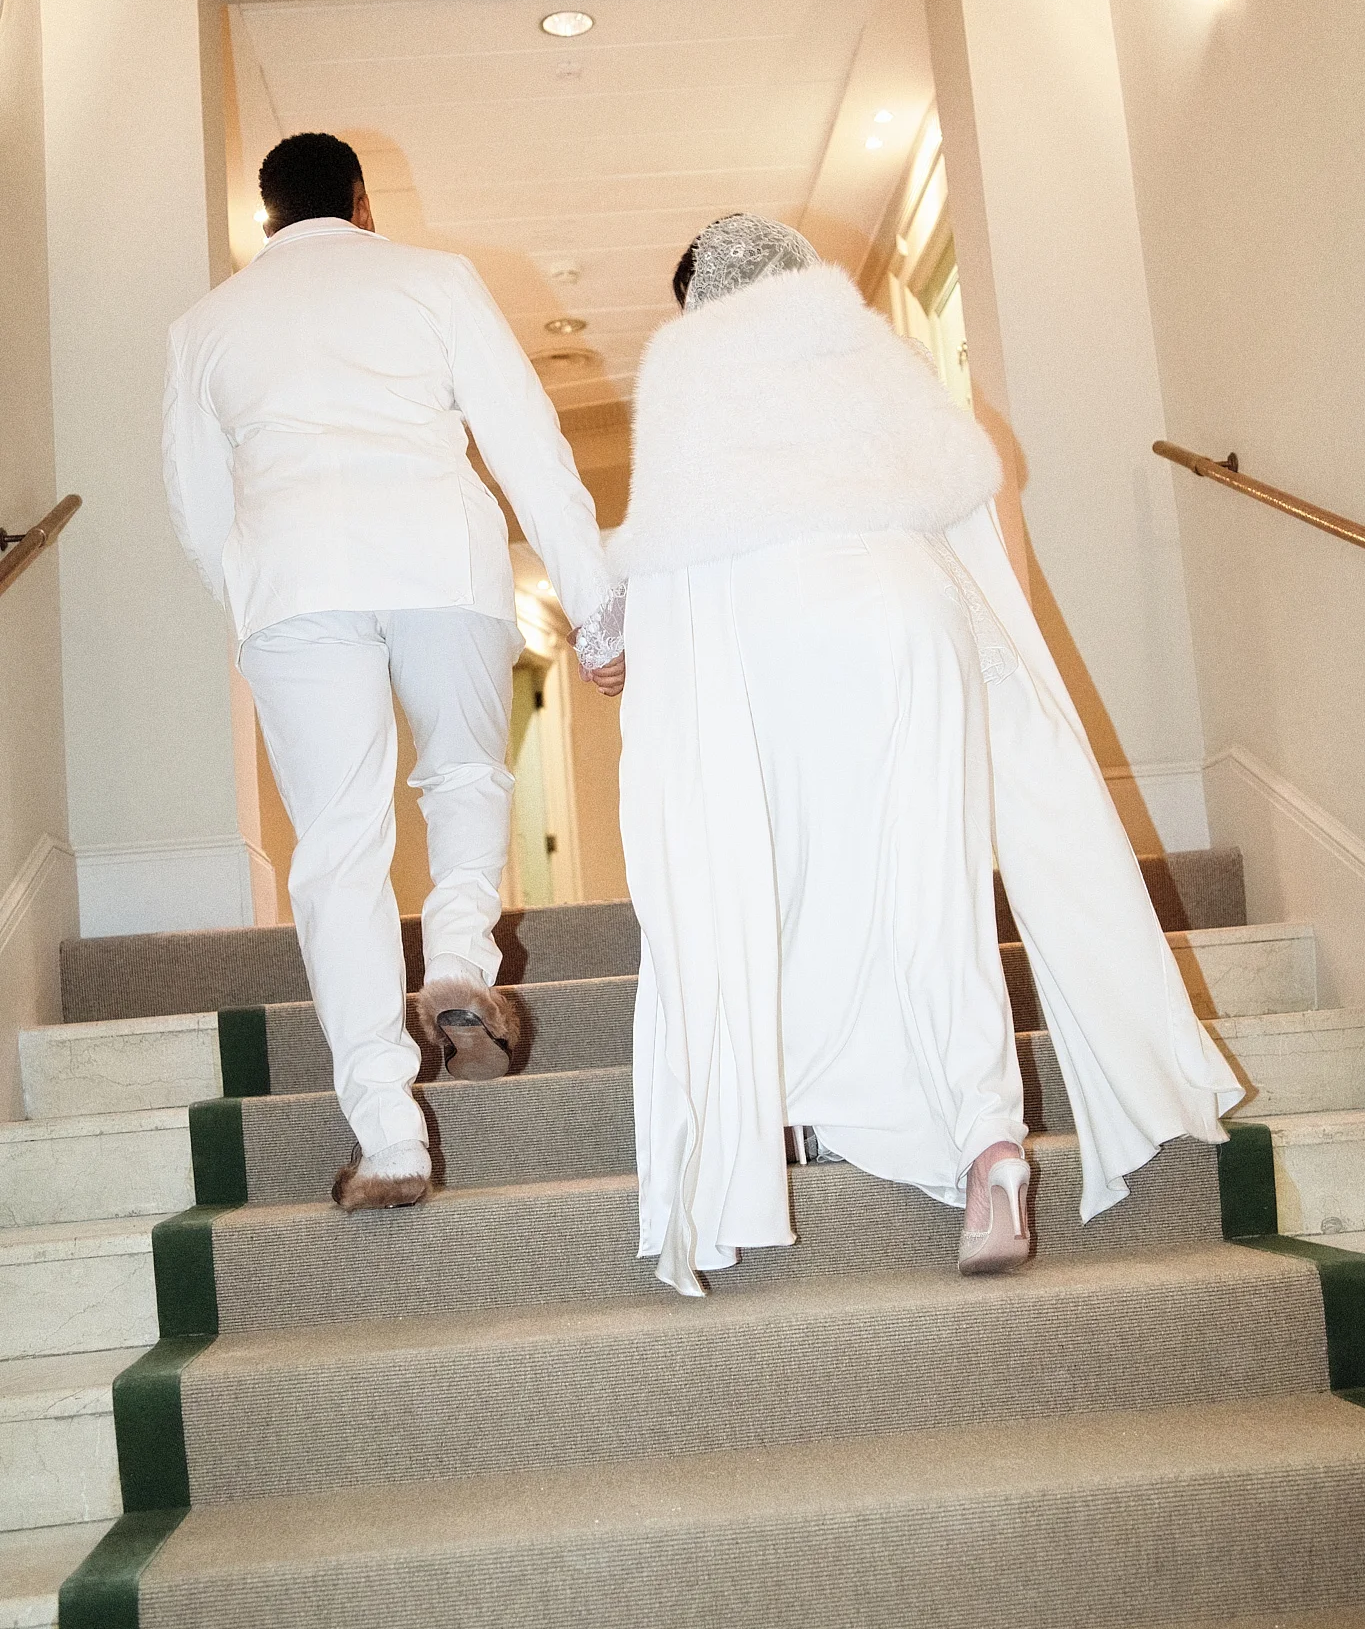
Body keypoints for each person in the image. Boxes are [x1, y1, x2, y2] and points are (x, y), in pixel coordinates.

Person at [610, 214, 1240, 1297]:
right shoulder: (869, 346)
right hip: (914, 617)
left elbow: (666, 542)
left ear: (697, 299)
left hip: (779, 626)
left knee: (782, 886)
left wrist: (619, 639)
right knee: (931, 887)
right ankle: (990, 1147)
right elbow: (964, 488)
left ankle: (807, 1108)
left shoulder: (692, 366)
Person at [164, 132, 625, 1211]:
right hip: (440, 558)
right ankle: (459, 956)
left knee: (337, 851)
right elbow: (528, 439)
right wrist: (596, 611)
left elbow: (195, 508)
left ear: (267, 215)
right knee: (465, 771)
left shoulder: (201, 327)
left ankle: (389, 1134)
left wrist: (253, 597)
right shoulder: (433, 280)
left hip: (292, 583)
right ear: (360, 201)